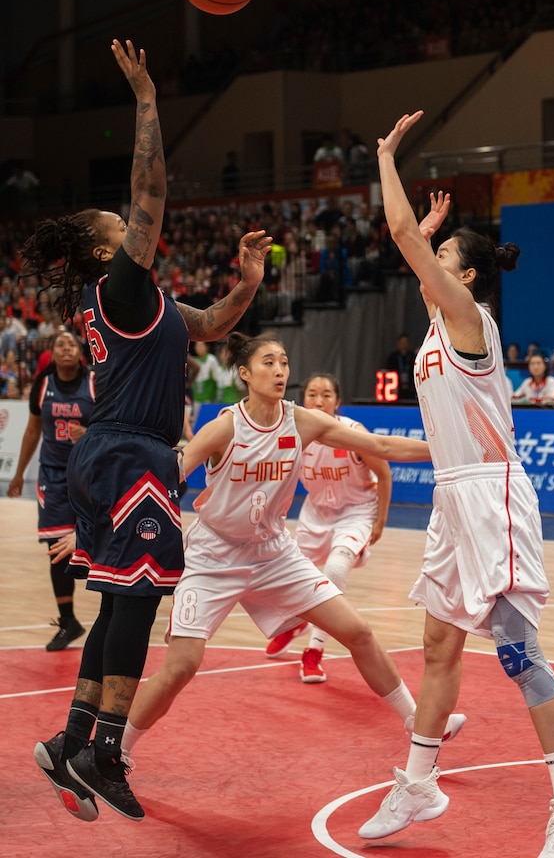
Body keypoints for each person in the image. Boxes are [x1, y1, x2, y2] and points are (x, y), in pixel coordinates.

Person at [28, 40, 272, 824]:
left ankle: (69, 740)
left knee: (114, 606)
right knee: (137, 608)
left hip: (110, 454)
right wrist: (146, 101)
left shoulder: (152, 306)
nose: (133, 227)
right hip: (131, 450)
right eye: (121, 226)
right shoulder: (122, 285)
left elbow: (214, 323)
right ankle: (104, 751)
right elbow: (150, 195)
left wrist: (251, 283)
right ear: (110, 247)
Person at [365, 110, 554, 854]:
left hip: (491, 494)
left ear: (463, 276)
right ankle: (418, 786)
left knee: (519, 654)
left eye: (443, 256)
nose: (428, 259)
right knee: (438, 646)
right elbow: (415, 247)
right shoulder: (438, 325)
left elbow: (404, 239)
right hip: (451, 494)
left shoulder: (469, 317)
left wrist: (386, 156)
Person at [120, 334, 450, 813]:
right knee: (181, 667)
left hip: (274, 553)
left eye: (284, 361)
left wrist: (449, 450)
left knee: (357, 631)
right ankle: (119, 753)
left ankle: (415, 722)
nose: (279, 370)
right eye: (268, 362)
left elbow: (378, 445)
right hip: (214, 556)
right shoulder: (224, 428)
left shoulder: (305, 421)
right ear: (246, 375)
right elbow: (171, 476)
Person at [262, 372, 394, 683]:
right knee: (292, 580)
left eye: (326, 395)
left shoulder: (352, 433)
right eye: (312, 394)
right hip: (315, 515)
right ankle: (295, 621)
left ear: (338, 402)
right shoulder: (293, 433)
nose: (318, 401)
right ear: (302, 399)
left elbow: (384, 474)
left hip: (356, 512)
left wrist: (381, 521)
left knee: (334, 567)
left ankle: (314, 650)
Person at [6, 330, 94, 651]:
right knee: (58, 547)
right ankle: (68, 620)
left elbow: (110, 426)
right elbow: (32, 430)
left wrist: (89, 433)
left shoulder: (95, 383)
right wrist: (18, 474)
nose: (66, 347)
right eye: (60, 344)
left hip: (90, 474)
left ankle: (114, 609)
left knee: (105, 539)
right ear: (52, 353)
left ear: (80, 350)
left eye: (71, 343)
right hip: (54, 476)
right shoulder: (42, 387)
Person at [385, 333, 417, 400]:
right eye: (402, 342)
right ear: (398, 343)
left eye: (405, 342)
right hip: (396, 388)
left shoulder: (413, 357)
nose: (404, 344)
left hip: (410, 388)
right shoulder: (393, 357)